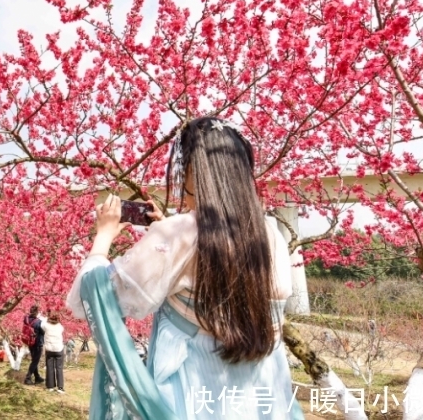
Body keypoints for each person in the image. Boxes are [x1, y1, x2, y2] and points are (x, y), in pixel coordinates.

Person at [66, 116, 306, 419]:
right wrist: (165, 230)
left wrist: (103, 236)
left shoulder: (180, 233)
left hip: (191, 399)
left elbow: (99, 294)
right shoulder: (269, 233)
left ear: (195, 169)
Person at [41, 312, 66, 393]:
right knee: (59, 368)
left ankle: (50, 386)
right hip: (59, 349)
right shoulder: (60, 327)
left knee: (50, 367)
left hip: (49, 350)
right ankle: (60, 387)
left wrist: (46, 317)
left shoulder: (46, 326)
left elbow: (42, 322)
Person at [22, 305, 45, 385]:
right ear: (37, 312)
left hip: (29, 342)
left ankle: (37, 377)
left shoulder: (26, 319)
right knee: (35, 361)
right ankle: (27, 378)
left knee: (34, 360)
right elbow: (43, 332)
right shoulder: (38, 322)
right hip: (37, 343)